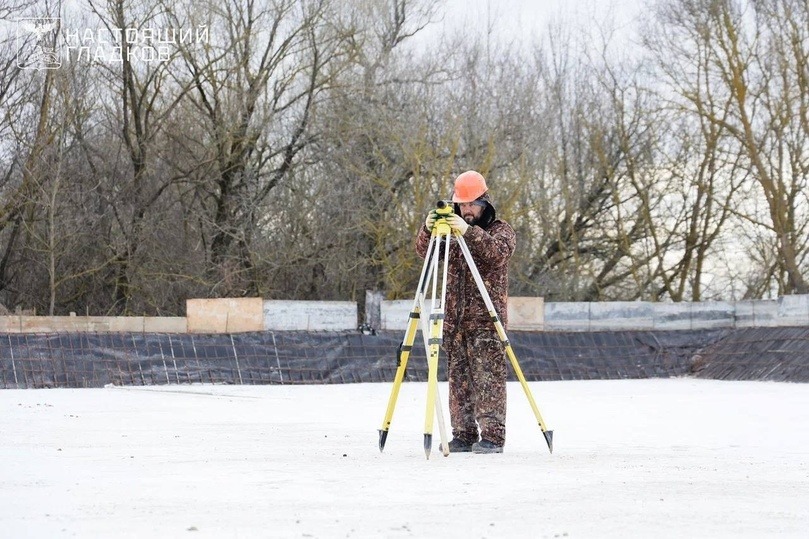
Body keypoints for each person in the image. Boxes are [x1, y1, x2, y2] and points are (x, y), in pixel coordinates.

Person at [415, 170, 516, 454]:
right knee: (459, 382)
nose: (467, 210)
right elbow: (425, 251)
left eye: (472, 204)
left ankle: (493, 437)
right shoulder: (451, 232)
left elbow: (497, 254)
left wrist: (467, 231)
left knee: (488, 381)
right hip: (454, 322)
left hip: (486, 322)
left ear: (485, 203)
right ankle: (463, 434)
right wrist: (428, 228)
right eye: (462, 204)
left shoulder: (500, 230)